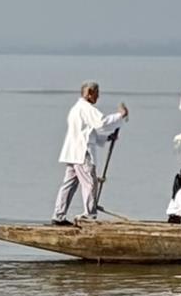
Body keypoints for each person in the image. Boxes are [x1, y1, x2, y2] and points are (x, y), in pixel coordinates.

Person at [51, 82, 128, 224]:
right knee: (90, 183)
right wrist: (120, 115)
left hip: (73, 153)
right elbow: (101, 122)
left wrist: (107, 138)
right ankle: (89, 216)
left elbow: (89, 132)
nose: (98, 97)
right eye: (97, 94)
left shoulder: (76, 109)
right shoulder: (84, 108)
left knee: (69, 185)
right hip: (82, 152)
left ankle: (58, 216)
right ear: (89, 93)